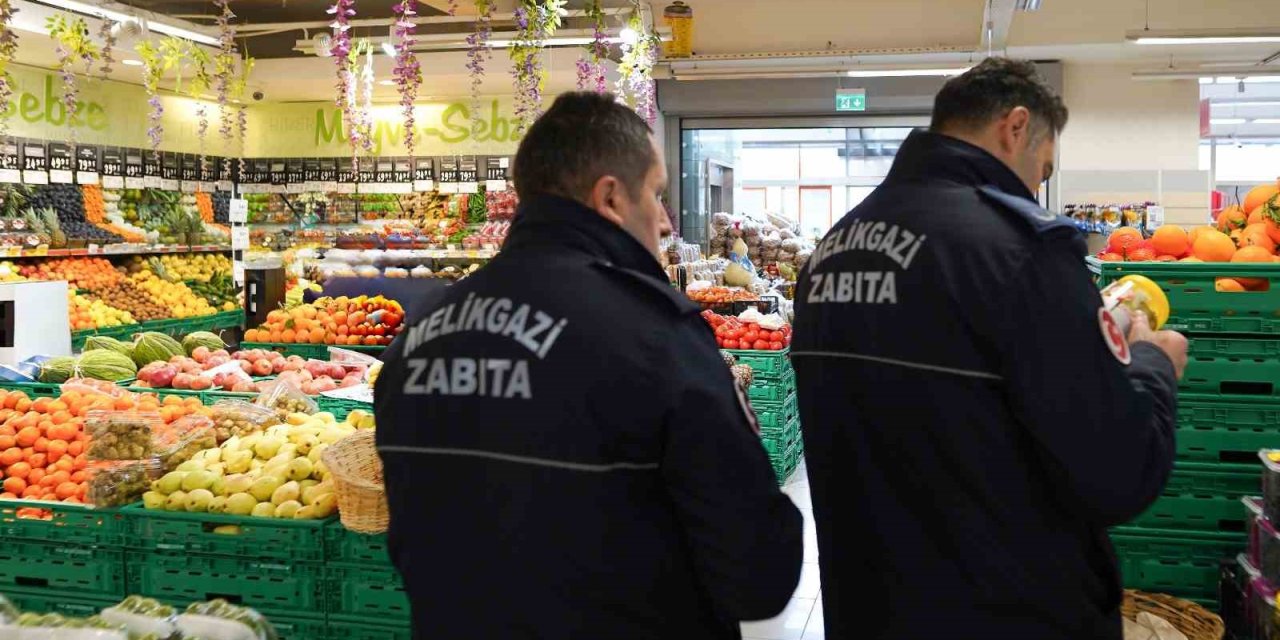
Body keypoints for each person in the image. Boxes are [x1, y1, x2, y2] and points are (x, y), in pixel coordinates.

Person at [374, 91, 803, 639]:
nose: (667, 222)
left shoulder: (421, 335)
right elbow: (759, 574)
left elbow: (412, 540)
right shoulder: (653, 334)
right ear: (610, 199)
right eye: (656, 195)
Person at [790, 57, 1188, 640]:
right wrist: (1154, 361)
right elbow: (1119, 473)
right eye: (1042, 169)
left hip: (867, 607)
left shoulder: (832, 248)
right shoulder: (1022, 251)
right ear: (1016, 127)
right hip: (1007, 610)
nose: (1037, 187)